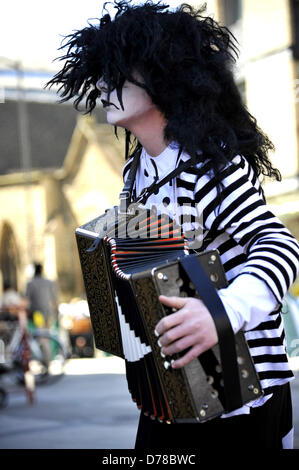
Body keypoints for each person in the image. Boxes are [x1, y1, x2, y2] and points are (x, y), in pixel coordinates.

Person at [46, 1, 299, 449]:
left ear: (162, 77)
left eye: (118, 70)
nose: (103, 84)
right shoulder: (135, 172)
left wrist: (221, 312)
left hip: (240, 396)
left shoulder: (211, 165)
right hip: (171, 394)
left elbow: (279, 244)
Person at [26, 263, 58, 329]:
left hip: (37, 313)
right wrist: (56, 313)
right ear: (42, 270)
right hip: (48, 312)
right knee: (47, 333)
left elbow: (27, 299)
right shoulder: (49, 282)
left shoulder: (31, 283)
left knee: (39, 332)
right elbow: (54, 300)